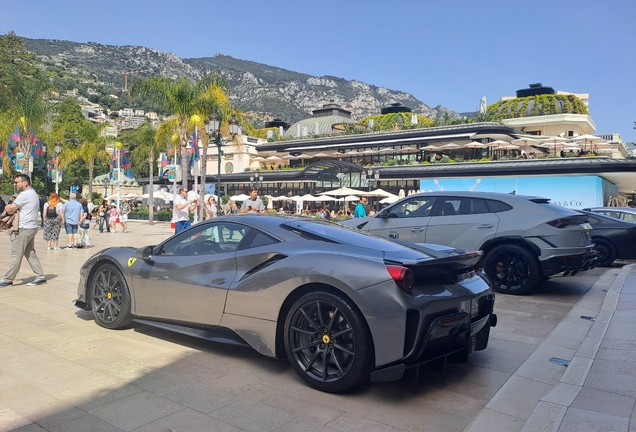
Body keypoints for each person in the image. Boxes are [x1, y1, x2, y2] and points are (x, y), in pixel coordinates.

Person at [0, 174, 47, 286]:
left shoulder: (24, 194)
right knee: (30, 253)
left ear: (25, 182)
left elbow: (11, 209)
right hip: (30, 227)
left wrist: (8, 206)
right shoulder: (33, 193)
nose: (14, 184)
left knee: (16, 254)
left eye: (17, 182)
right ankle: (40, 276)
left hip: (22, 228)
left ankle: (8, 279)